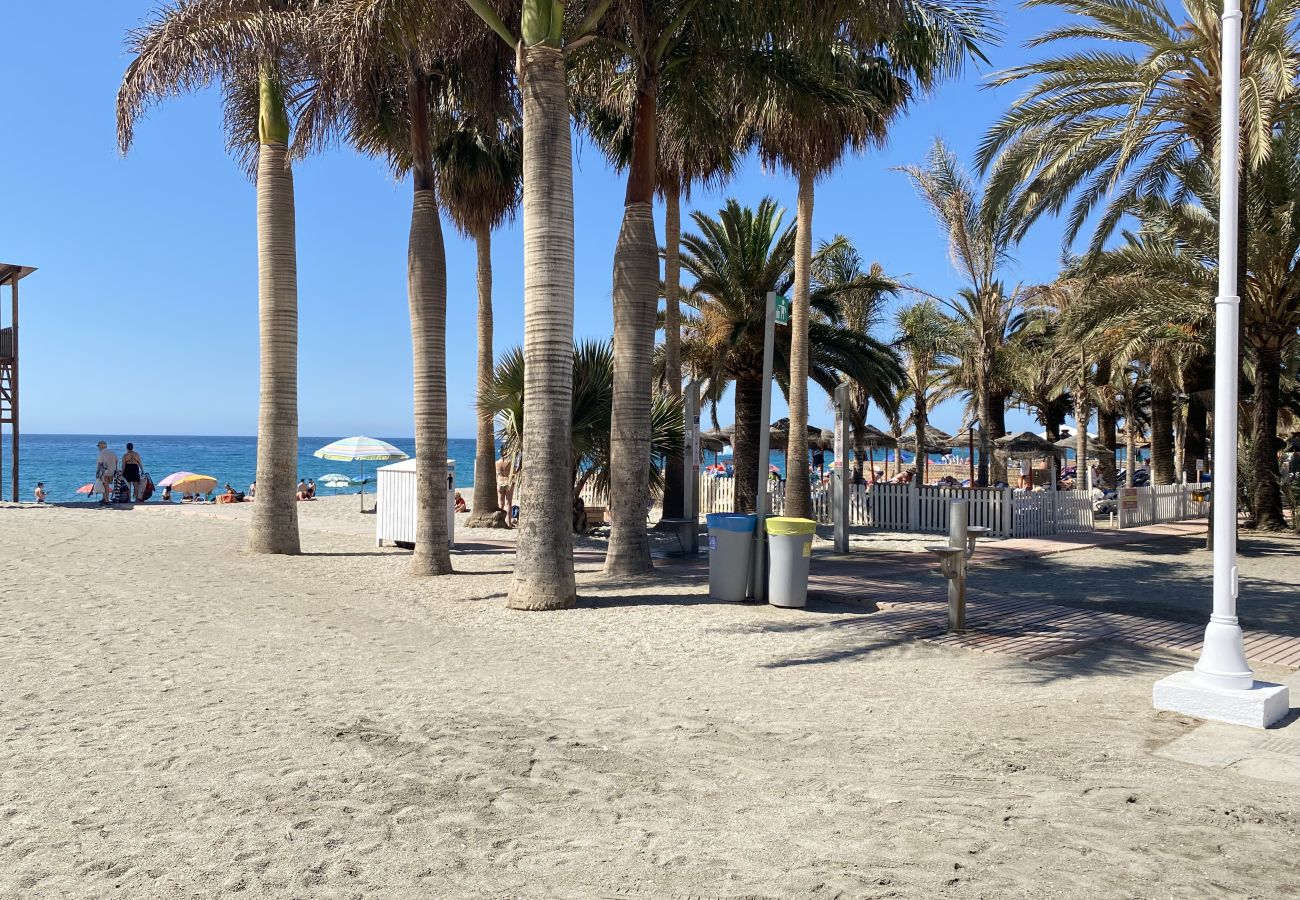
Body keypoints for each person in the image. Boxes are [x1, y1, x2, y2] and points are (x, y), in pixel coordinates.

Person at [94, 441, 118, 506]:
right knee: (106, 486)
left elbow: (100, 464)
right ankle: (104, 499)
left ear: (101, 446)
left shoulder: (101, 453)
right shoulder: (112, 452)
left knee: (105, 487)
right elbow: (116, 461)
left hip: (104, 472)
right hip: (111, 472)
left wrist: (97, 473)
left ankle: (106, 501)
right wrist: (115, 469)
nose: (98, 447)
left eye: (99, 446)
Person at [496, 447, 514, 519]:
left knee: (501, 503)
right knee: (508, 503)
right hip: (508, 482)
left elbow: (496, 473)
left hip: (500, 483)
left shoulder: (496, 463)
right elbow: (514, 471)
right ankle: (509, 522)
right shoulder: (510, 463)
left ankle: (501, 520)